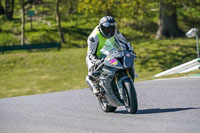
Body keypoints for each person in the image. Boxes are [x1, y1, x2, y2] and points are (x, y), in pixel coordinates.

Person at [86, 16, 135, 95]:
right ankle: (95, 85)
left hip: (111, 54)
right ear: (101, 27)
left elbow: (124, 42)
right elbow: (90, 54)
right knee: (92, 68)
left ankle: (129, 75)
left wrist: (130, 51)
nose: (110, 31)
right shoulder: (93, 37)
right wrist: (97, 61)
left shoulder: (116, 32)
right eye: (107, 29)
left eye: (112, 28)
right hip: (97, 56)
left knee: (127, 59)